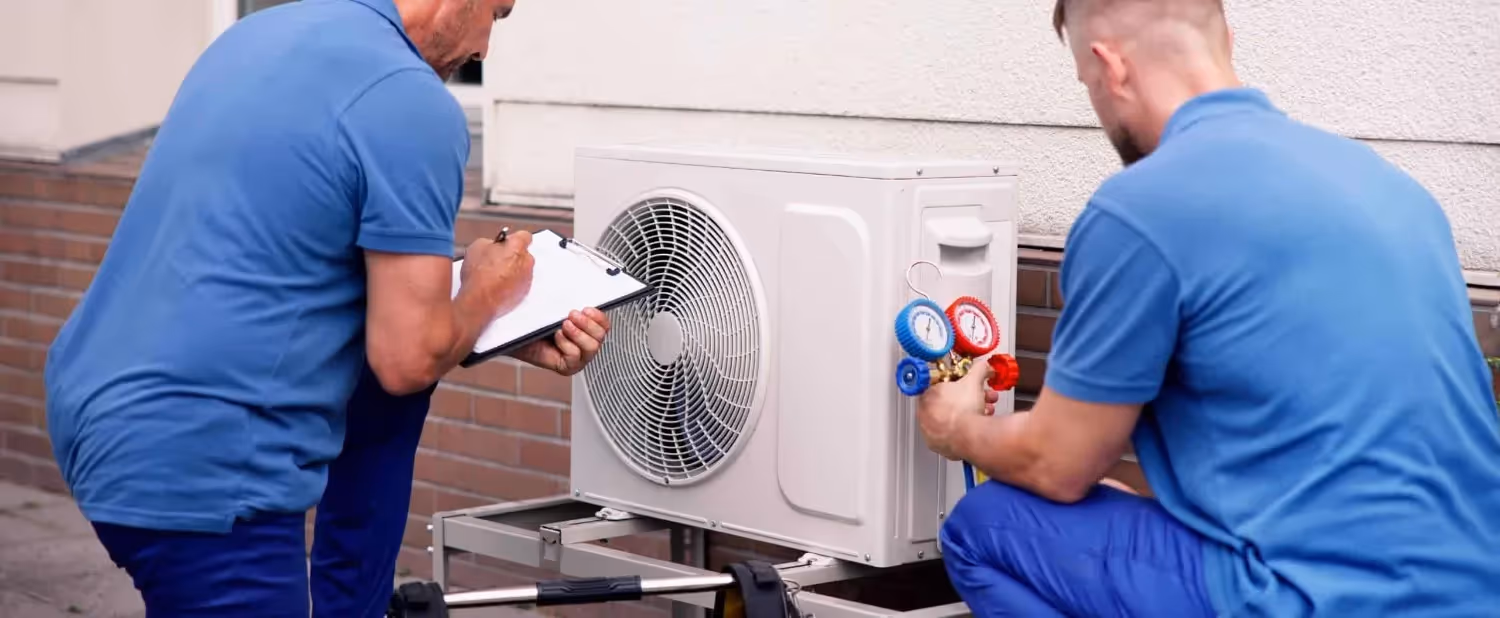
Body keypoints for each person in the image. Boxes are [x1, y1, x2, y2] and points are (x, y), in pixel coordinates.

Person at [914, 1, 1500, 616]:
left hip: (1306, 596)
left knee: (984, 526)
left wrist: (958, 428)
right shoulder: (1390, 186)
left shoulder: (1141, 210)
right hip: (1476, 589)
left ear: (1109, 67)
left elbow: (1056, 465)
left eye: (1086, 86)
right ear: (1226, 40)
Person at [42, 0, 611, 615]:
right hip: (204, 456)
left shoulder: (259, 34)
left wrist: (493, 320)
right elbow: (407, 359)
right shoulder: (411, 100)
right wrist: (483, 289)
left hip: (98, 404)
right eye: (497, 15)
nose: (485, 50)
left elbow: (302, 251)